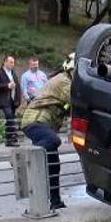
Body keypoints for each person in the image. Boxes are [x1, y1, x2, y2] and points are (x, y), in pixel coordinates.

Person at [20, 53, 75, 211]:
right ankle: (26, 157)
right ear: (71, 69)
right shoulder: (65, 81)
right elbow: (77, 100)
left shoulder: (66, 80)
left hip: (45, 124)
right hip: (35, 121)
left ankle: (55, 201)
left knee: (53, 165)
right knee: (53, 141)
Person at [0, 55, 23, 147]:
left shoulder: (13, 73)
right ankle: (12, 137)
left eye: (13, 62)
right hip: (3, 100)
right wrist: (6, 86)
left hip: (13, 101)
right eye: (11, 62)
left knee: (11, 118)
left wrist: (18, 100)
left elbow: (18, 87)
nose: (13, 64)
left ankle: (9, 139)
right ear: (5, 62)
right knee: (9, 117)